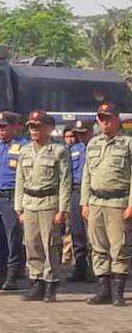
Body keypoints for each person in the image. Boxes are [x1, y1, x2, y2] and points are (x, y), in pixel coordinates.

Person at [14, 110, 71, 303]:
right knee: (32, 244)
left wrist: (62, 210)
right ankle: (36, 281)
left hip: (49, 203)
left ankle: (51, 282)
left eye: (38, 127)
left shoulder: (59, 151)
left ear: (48, 128)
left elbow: (65, 182)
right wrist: (18, 207)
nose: (34, 131)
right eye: (31, 127)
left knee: (50, 245)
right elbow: (19, 180)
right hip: (30, 202)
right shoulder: (24, 150)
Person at [81, 101, 132, 306]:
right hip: (95, 202)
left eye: (108, 118)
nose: (105, 123)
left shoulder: (127, 143)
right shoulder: (93, 143)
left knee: (118, 247)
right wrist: (84, 202)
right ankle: (103, 290)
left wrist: (131, 204)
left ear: (117, 119)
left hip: (118, 201)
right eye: (101, 119)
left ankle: (118, 292)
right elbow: (87, 174)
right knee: (98, 247)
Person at [0, 111, 27, 290]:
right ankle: (0, 273)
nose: (1, 130)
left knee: (13, 238)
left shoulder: (23, 147)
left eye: (4, 127)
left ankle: (13, 274)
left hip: (12, 197)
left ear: (14, 127)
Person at [65, 119, 93, 282]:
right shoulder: (73, 149)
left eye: (83, 132)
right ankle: (80, 266)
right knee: (77, 232)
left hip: (91, 192)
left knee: (94, 234)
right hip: (75, 191)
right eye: (78, 133)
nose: (81, 136)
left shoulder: (96, 146)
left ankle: (95, 269)